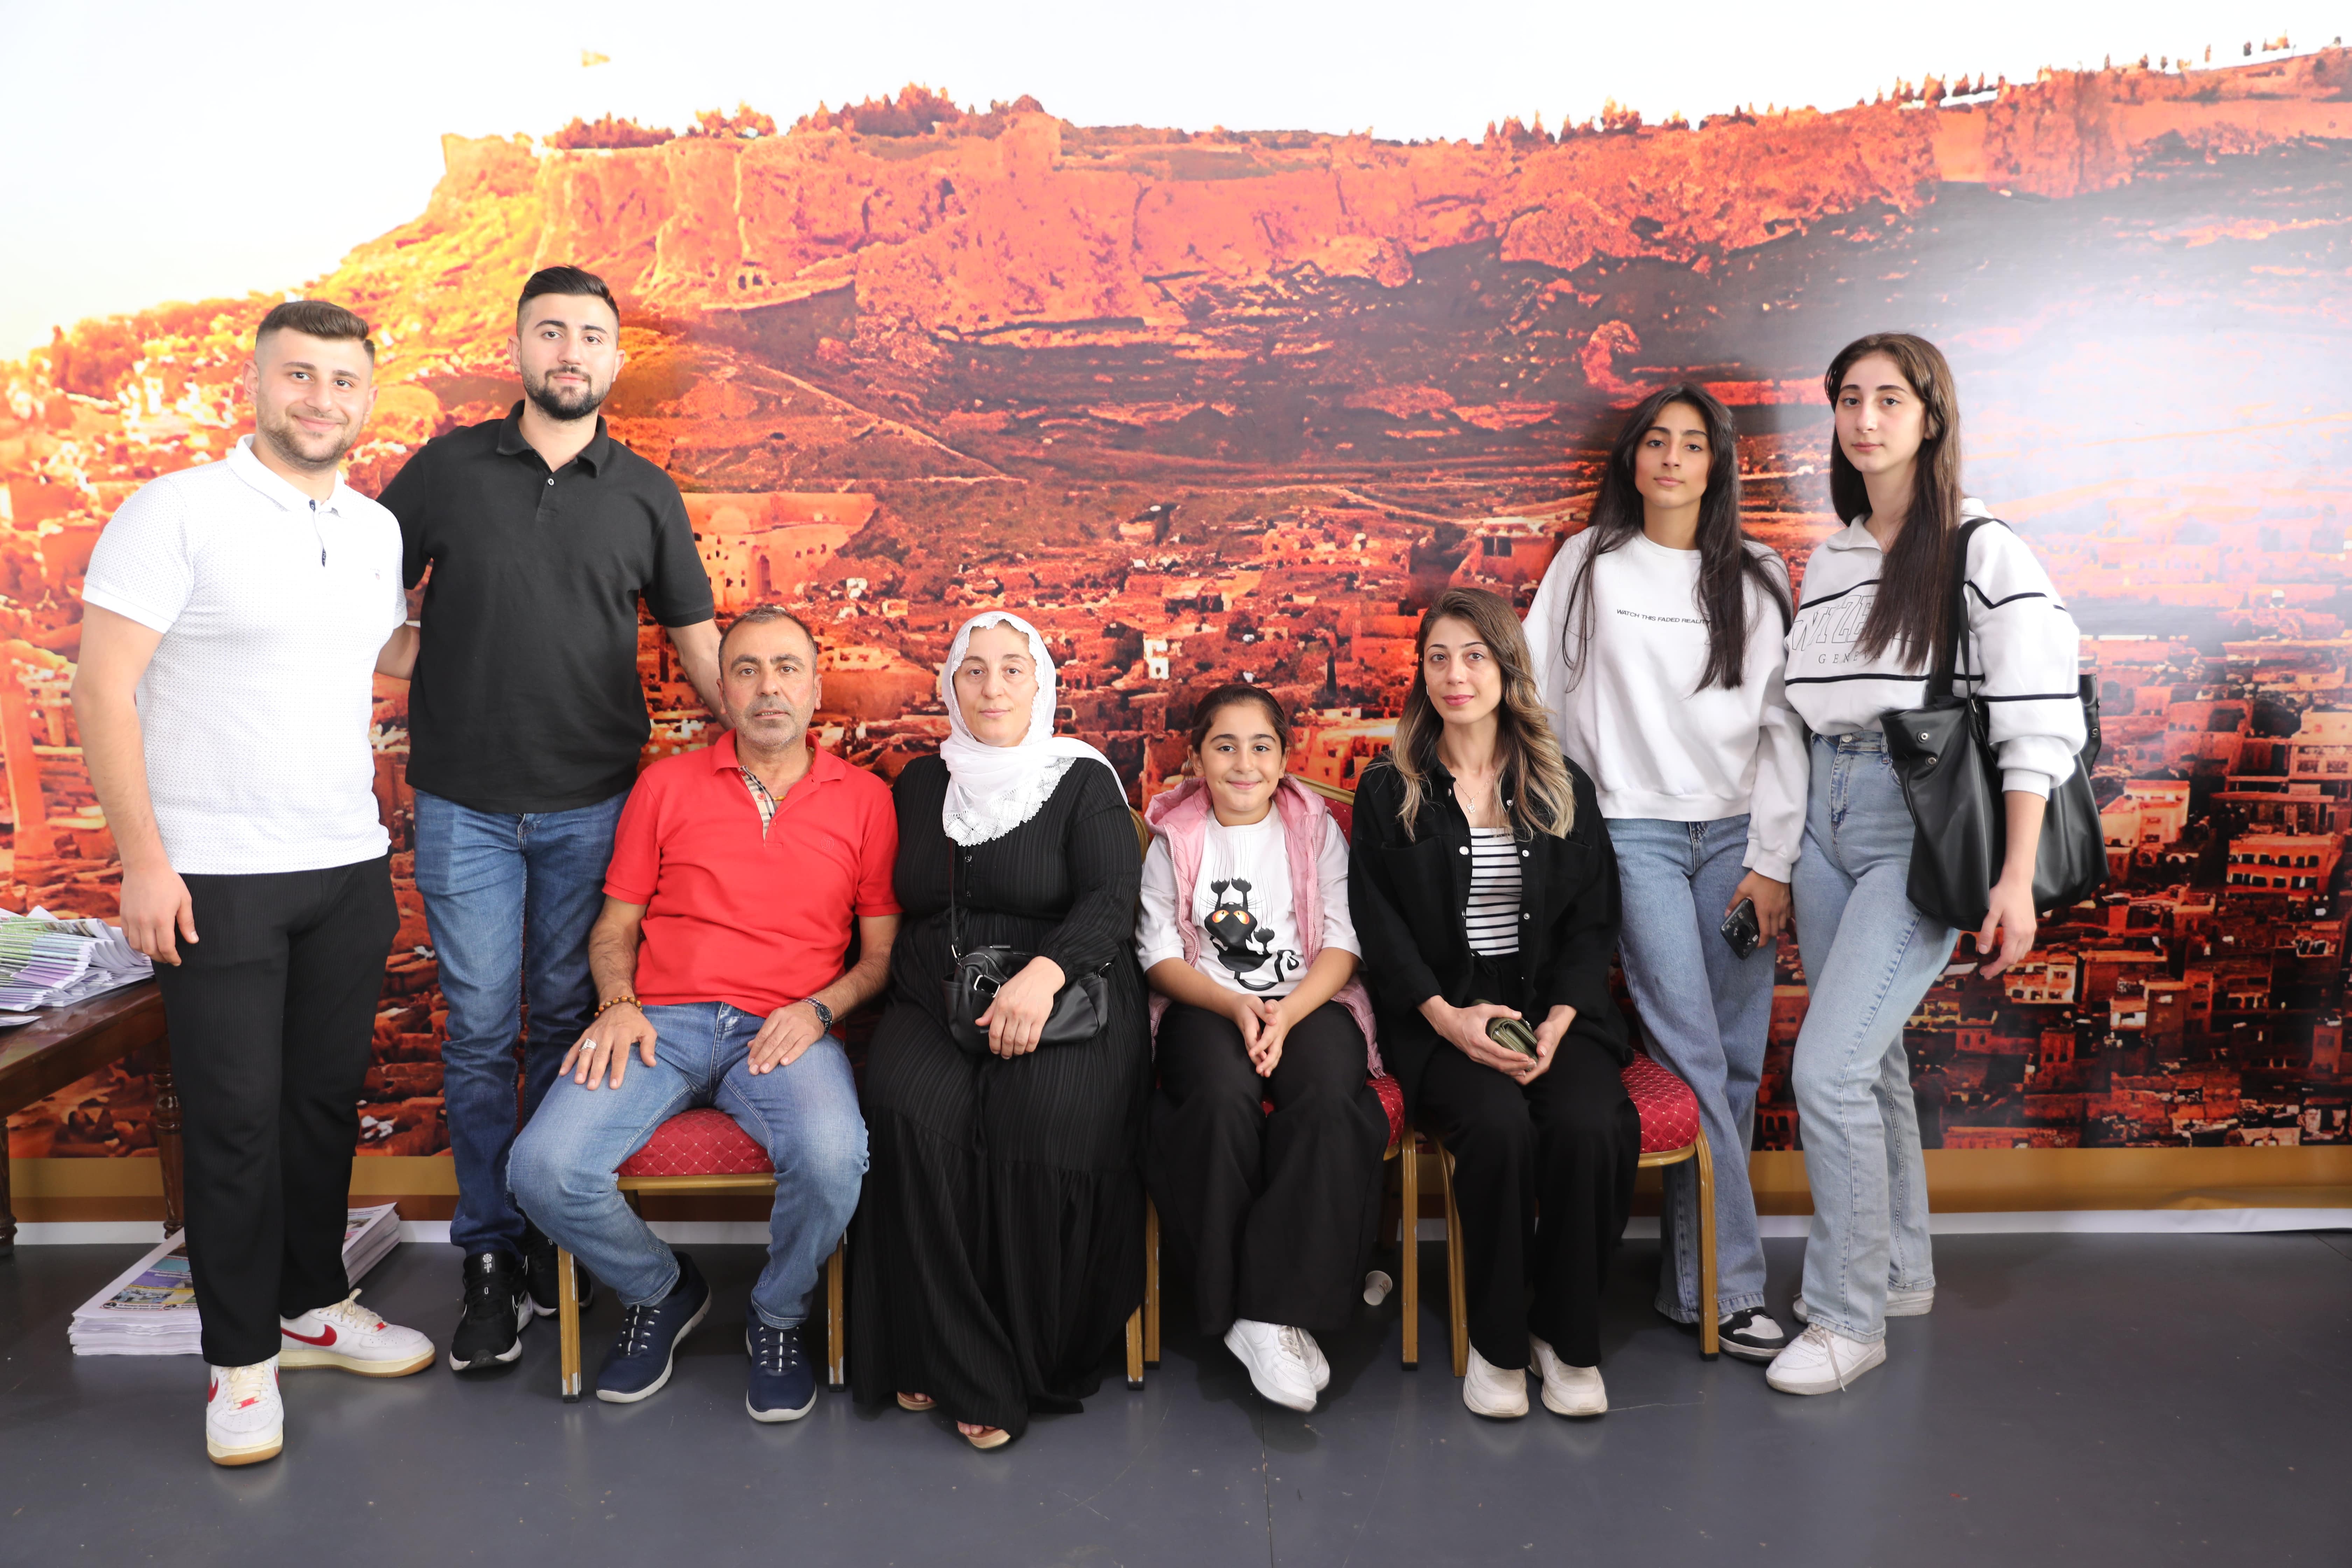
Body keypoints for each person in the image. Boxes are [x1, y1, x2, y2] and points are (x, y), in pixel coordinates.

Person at [75, 300, 434, 1467]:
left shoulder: (373, 528)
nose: (321, 399)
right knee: (233, 1123)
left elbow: (384, 652)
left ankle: (313, 1304)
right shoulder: (175, 511)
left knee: (321, 1108)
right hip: (215, 875)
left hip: (345, 864)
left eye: (344, 380)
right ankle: (239, 1364)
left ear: (367, 398)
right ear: (258, 384)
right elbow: (101, 689)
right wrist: (143, 859)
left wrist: (529, 619)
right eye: (300, 375)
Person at [377, 265, 724, 1372]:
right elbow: (360, 601)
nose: (570, 352)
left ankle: (545, 1233)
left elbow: (696, 637)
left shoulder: (647, 494)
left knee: (568, 1024)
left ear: (616, 357)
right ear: (520, 349)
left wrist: (768, 742)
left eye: (590, 335)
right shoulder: (445, 471)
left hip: (595, 806)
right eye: (551, 332)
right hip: (465, 806)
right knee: (481, 1032)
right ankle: (488, 1252)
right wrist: (427, 659)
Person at [1766, 332, 2082, 1395]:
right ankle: (1899, 1269)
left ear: (1931, 416)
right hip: (1828, 817)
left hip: (1915, 821)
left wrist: (2015, 878)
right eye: (1849, 399)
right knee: (1874, 1059)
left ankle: (1846, 1317)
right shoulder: (1834, 557)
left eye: (1890, 399)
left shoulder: (1981, 548)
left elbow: (2036, 718)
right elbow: (1808, 710)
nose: (1865, 420)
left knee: (1829, 1069)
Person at [506, 607, 894, 1419]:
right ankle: (662, 1286)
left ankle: (777, 1313)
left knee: (834, 1158)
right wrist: (618, 1003)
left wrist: (819, 1009)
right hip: (660, 1023)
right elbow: (614, 928)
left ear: (816, 687)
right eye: (747, 669)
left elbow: (880, 958)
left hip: (786, 1025)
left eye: (787, 668)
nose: (768, 686)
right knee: (540, 1166)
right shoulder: (666, 785)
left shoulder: (866, 799)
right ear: (723, 690)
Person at [1525, 384, 1803, 1363]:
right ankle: (1736, 1288)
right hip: (1631, 832)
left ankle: (1695, 1288)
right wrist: (1559, 825)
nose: (1673, 459)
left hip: (1737, 837)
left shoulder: (1759, 575)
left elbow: (1783, 727)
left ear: (1717, 465)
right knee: (1689, 1048)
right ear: (1632, 460)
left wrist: (1773, 861)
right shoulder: (1589, 563)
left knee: (1734, 1061)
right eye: (1657, 442)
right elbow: (1538, 696)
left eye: (1692, 444)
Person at [852, 611, 1148, 1449]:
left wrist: (1043, 976)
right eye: (974, 669)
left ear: (1042, 683)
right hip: (935, 988)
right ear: (950, 685)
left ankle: (1019, 1357)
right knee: (907, 1107)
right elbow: (899, 901)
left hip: (1070, 987)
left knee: (1036, 1117)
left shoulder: (1080, 780)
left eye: (1013, 669)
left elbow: (1111, 900)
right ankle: (940, 1345)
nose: (992, 687)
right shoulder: (920, 784)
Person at [1349, 587, 1637, 1420]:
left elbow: (1592, 922)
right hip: (1438, 1015)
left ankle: (1565, 1334)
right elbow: (1380, 927)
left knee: (1592, 1124)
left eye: (1475, 656)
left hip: (1549, 1008)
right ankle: (1498, 1341)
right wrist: (1447, 1016)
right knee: (1499, 1127)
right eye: (1438, 657)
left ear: (1508, 668)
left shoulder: (1561, 784)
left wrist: (1559, 1020)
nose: (1455, 675)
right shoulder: (1390, 788)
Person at [1138, 684, 1389, 1413]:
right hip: (1205, 1002)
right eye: (1224, 746)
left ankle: (1274, 1308)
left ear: (1284, 759)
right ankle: (1244, 1313)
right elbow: (1158, 954)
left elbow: (1344, 940)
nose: (1243, 764)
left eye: (1261, 747)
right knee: (1218, 1100)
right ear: (1196, 759)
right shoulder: (1175, 837)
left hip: (1313, 1000)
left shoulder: (1315, 829)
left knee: (1328, 1099)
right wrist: (1236, 1005)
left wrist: (1287, 1014)